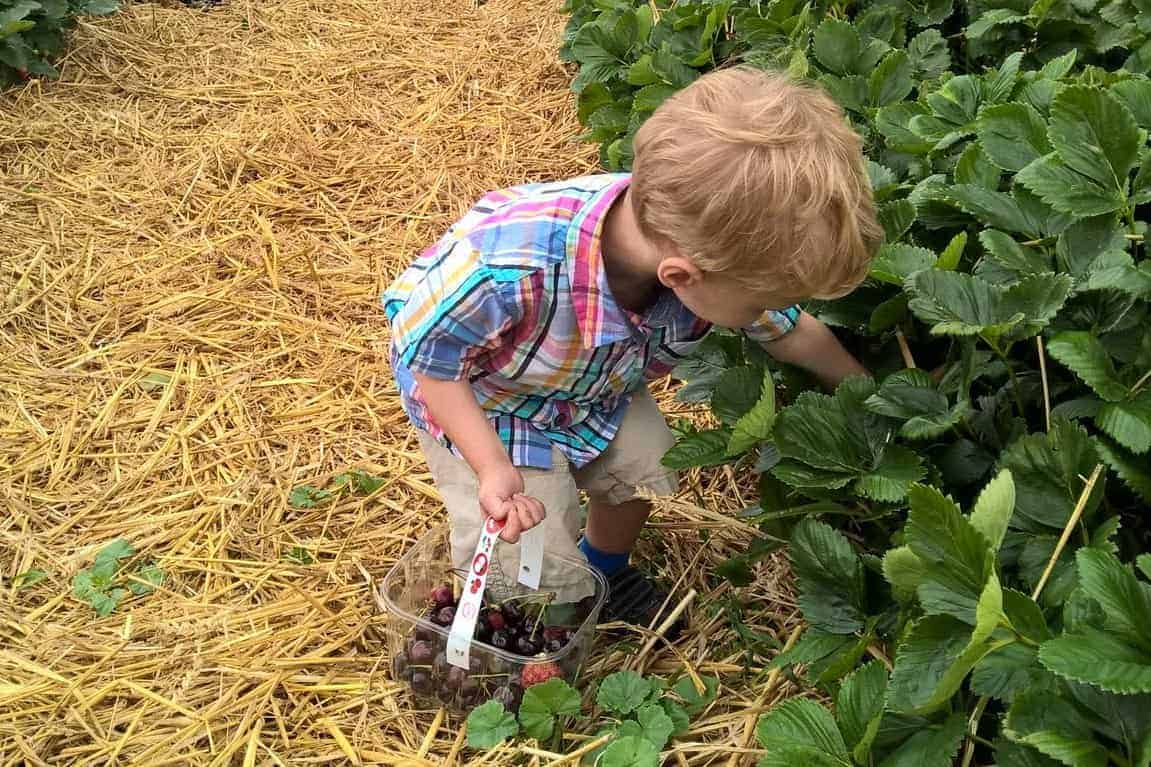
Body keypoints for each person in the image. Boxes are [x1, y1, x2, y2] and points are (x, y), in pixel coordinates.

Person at [382, 66, 883, 635]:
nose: (766, 312)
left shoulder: (705, 236)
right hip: (486, 397)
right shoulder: (508, 269)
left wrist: (867, 391)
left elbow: (793, 332)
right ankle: (524, 617)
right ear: (682, 276)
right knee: (528, 537)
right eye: (762, 301)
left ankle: (605, 567)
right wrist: (490, 465)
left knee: (646, 464)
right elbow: (431, 360)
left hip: (589, 386)